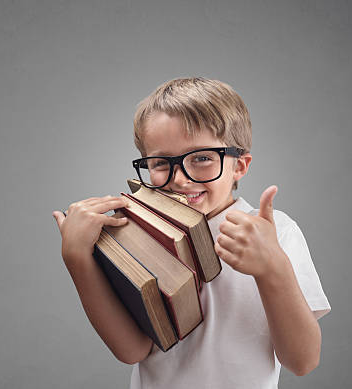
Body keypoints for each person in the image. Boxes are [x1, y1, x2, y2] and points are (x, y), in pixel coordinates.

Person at [52, 77, 330, 388]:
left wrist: (273, 268)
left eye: (201, 158)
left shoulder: (275, 232)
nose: (181, 179)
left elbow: (302, 361)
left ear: (240, 165)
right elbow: (133, 350)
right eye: (160, 163)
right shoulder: (134, 230)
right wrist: (77, 258)